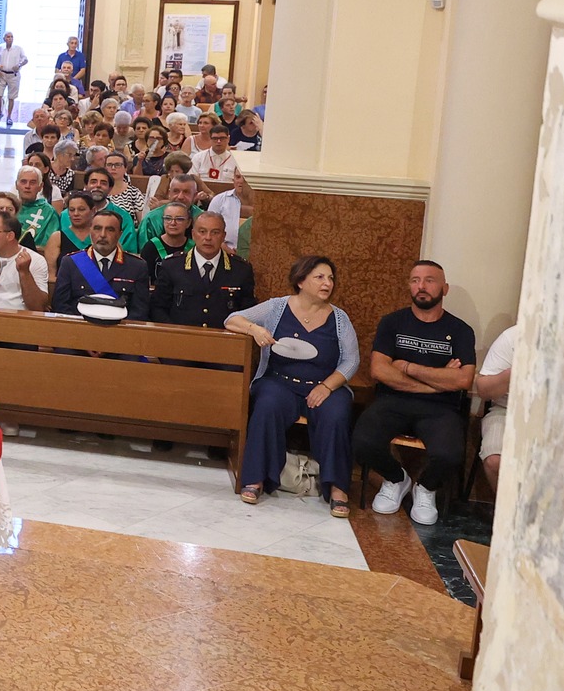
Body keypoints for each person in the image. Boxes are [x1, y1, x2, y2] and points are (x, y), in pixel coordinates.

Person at [227, 255, 358, 514]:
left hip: (323, 386)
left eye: (330, 278)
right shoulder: (277, 307)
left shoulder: (340, 318)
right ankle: (255, 478)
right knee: (266, 405)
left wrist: (327, 386)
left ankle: (337, 487)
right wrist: (254, 329)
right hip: (279, 382)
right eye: (319, 277)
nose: (327, 283)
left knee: (337, 414)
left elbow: (351, 361)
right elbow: (232, 319)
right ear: (301, 280)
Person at [356, 260, 476, 526]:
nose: (421, 286)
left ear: (444, 289)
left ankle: (425, 487)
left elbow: (464, 379)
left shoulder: (460, 331)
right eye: (415, 280)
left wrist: (407, 367)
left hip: (441, 409)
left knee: (450, 454)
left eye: (430, 280)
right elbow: (379, 370)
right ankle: (397, 479)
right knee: (362, 441)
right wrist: (439, 379)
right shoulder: (392, 323)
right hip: (392, 401)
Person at [148, 212, 254, 328]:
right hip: (181, 340)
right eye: (202, 232)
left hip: (224, 341)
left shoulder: (241, 269)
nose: (208, 238)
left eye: (215, 232)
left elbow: (247, 312)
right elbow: (158, 308)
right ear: (193, 234)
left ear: (223, 236)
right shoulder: (172, 266)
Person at [50, 209, 151, 314]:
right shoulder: (70, 262)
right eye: (97, 228)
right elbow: (60, 306)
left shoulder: (137, 266)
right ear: (90, 231)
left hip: (120, 328)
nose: (103, 235)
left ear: (120, 234)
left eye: (110, 230)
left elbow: (140, 311)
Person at [475, 322, 517, 490]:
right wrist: (513, 373)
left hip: (563, 418)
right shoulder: (513, 337)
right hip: (507, 410)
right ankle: (507, 514)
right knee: (495, 460)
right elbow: (484, 391)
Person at [139, 201, 193, 276]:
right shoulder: (151, 247)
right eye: (168, 218)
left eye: (179, 219)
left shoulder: (194, 248)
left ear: (188, 223)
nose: (173, 223)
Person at [12, 166, 59, 250]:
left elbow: (50, 246)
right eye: (23, 182)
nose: (27, 186)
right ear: (16, 185)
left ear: (40, 186)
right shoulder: (7, 208)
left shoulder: (49, 213)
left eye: (32, 182)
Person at [0, 32, 28, 124]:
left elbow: (25, 59)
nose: (10, 38)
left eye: (11, 37)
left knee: (11, 96)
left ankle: (9, 116)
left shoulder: (18, 49)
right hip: (2, 74)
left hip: (13, 75)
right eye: (8, 37)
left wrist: (19, 65)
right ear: (4, 38)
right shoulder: (0, 48)